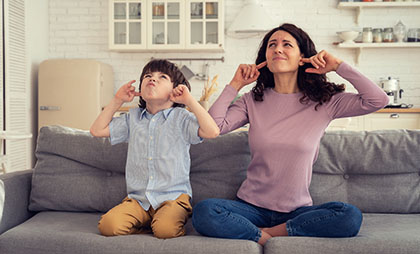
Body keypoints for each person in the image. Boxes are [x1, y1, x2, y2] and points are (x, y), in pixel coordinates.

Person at [192, 23, 389, 245]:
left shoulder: (324, 102)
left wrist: (338, 66)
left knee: (349, 216)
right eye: (272, 45)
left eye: (287, 44)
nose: (277, 49)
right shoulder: (252, 100)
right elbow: (213, 127)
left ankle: (264, 234)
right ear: (265, 56)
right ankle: (271, 234)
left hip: (297, 211)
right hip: (250, 208)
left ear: (302, 56)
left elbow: (378, 100)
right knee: (205, 211)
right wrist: (235, 85)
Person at [90, 59, 219, 239]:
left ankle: (162, 222)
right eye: (148, 76)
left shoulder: (181, 118)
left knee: (166, 230)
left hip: (172, 198)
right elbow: (96, 130)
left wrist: (189, 100)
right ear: (141, 90)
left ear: (176, 89)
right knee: (108, 226)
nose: (152, 79)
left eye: (162, 77)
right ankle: (151, 225)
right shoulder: (132, 118)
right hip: (138, 200)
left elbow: (212, 132)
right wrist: (117, 100)